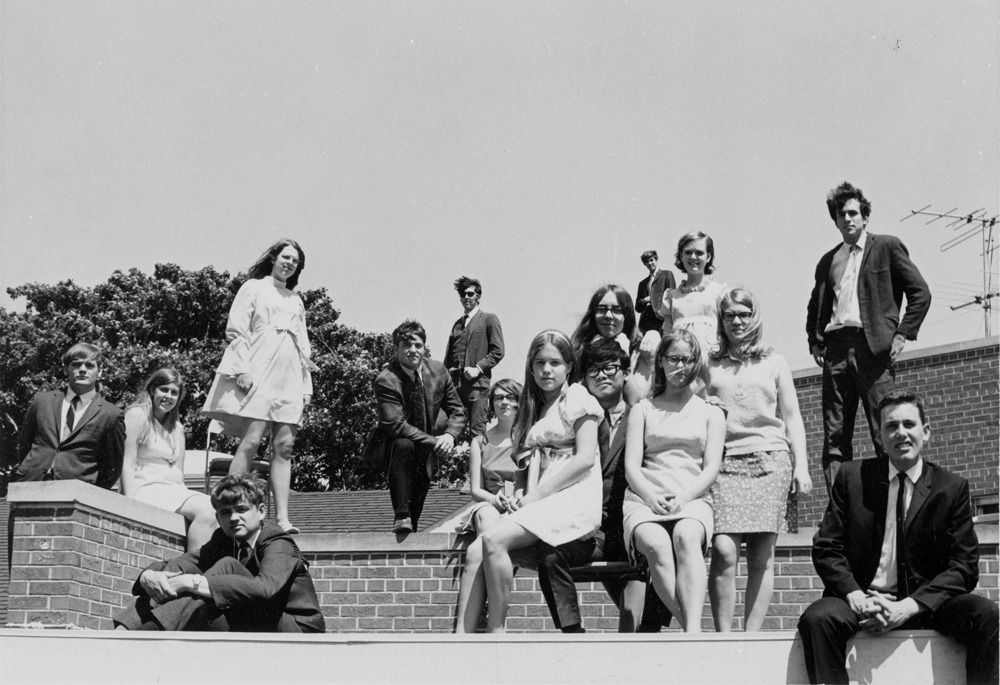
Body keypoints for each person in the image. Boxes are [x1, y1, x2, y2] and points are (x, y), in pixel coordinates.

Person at [798, 390, 998, 685]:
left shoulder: (951, 488)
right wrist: (855, 596)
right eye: (891, 426)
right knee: (818, 619)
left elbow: (964, 567)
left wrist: (909, 606)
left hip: (925, 606)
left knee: (986, 615)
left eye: (909, 424)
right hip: (861, 600)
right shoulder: (851, 478)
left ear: (925, 432)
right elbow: (827, 547)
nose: (900, 433)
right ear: (879, 437)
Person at [535, 338, 672, 633]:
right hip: (591, 532)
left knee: (666, 548)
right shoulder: (575, 420)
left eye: (610, 368)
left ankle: (650, 629)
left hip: (633, 527)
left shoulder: (645, 415)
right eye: (594, 370)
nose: (602, 375)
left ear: (625, 373)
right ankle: (572, 633)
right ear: (583, 378)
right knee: (550, 554)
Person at [806, 181, 931, 493]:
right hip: (835, 351)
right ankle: (839, 512)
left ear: (864, 217)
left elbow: (921, 293)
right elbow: (816, 303)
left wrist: (902, 333)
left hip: (872, 350)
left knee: (885, 430)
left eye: (852, 213)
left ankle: (897, 502)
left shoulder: (886, 247)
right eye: (840, 214)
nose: (847, 219)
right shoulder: (828, 260)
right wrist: (814, 338)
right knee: (835, 435)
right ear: (834, 220)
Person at [481, 330, 602, 633]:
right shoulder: (535, 405)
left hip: (572, 496)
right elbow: (530, 466)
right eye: (539, 363)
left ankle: (497, 632)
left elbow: (585, 458)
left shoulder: (577, 397)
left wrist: (536, 497)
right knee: (480, 550)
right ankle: (469, 632)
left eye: (555, 363)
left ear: (569, 367)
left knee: (494, 540)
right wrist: (520, 493)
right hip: (542, 498)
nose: (547, 370)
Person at [707, 287, 812, 632]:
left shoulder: (775, 362)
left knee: (761, 557)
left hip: (770, 461)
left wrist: (802, 466)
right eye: (729, 315)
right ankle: (724, 638)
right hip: (723, 465)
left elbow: (792, 417)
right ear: (720, 320)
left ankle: (749, 638)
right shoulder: (709, 364)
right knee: (723, 552)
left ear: (755, 317)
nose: (737, 321)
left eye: (744, 314)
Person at [202, 239, 318, 535]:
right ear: (274, 258)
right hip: (260, 365)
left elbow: (303, 346)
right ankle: (231, 504)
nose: (289, 263)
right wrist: (242, 368)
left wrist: (306, 385)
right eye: (285, 257)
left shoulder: (296, 300)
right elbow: (237, 329)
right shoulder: (254, 287)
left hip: (290, 374)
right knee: (252, 439)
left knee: (285, 446)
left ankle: (282, 518)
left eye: (295, 260)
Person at [113, 473, 324, 633]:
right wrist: (150, 576)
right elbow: (181, 564)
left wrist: (190, 582)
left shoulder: (277, 541)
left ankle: (145, 635)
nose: (233, 518)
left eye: (241, 510)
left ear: (260, 511)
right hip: (248, 618)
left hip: (296, 629)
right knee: (168, 581)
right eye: (225, 512)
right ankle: (121, 632)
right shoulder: (224, 540)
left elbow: (264, 589)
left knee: (226, 568)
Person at [622, 330, 725, 633]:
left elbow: (710, 469)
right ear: (661, 362)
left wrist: (684, 497)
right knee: (655, 544)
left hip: (692, 497)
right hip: (644, 499)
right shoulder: (643, 409)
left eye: (688, 359)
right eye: (674, 359)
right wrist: (651, 497)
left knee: (686, 536)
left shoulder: (711, 412)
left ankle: (691, 631)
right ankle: (690, 627)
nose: (681, 366)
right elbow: (631, 467)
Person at [372, 320, 466, 533]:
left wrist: (450, 436)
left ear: (424, 347)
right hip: (397, 448)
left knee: (418, 506)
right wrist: (436, 442)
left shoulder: (439, 371)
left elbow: (457, 410)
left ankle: (409, 525)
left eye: (418, 345)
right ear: (397, 349)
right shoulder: (386, 379)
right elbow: (396, 425)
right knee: (404, 445)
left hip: (427, 450)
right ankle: (401, 514)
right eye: (406, 346)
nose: (413, 350)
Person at [120, 369, 218, 552]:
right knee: (207, 509)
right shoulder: (137, 415)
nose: (168, 396)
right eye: (164, 390)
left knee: (217, 508)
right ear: (152, 390)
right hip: (144, 486)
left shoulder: (177, 429)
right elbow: (127, 463)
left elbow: (178, 475)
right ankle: (192, 568)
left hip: (170, 489)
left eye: (174, 393)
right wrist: (130, 503)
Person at [454, 378, 523, 633]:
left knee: (475, 552)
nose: (504, 402)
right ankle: (462, 635)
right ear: (492, 404)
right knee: (486, 519)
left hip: (518, 506)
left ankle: (490, 624)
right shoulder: (479, 441)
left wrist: (516, 499)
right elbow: (475, 490)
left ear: (519, 403)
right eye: (498, 398)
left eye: (510, 397)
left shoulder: (526, 438)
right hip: (488, 503)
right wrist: (494, 499)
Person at [13, 342, 125, 489]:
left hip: (77, 493)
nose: (83, 370)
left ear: (100, 371)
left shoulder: (111, 414)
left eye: (90, 365)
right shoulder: (41, 401)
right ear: (66, 369)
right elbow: (24, 445)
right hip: (30, 484)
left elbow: (112, 467)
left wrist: (90, 491)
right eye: (76, 364)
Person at [443, 276, 505, 438]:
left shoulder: (488, 319)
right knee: (443, 428)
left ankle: (480, 464)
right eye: (463, 294)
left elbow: (498, 351)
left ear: (478, 296)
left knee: (477, 433)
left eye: (470, 294)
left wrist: (478, 369)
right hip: (455, 389)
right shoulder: (457, 324)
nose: (466, 297)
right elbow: (447, 358)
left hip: (477, 387)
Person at [651, 231, 727, 362]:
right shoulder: (672, 296)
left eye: (699, 253)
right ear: (681, 256)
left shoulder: (719, 292)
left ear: (708, 257)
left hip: (712, 361)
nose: (693, 257)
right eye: (688, 252)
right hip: (681, 364)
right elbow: (667, 335)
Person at [570, 284, 650, 404]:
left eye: (617, 310)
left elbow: (637, 401)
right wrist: (593, 354)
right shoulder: (579, 348)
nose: (608, 316)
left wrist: (623, 355)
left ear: (626, 316)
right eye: (601, 309)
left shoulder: (641, 350)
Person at [635, 250, 676, 336]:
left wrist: (652, 299)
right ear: (644, 264)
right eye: (646, 262)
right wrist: (644, 301)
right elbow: (637, 308)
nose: (649, 263)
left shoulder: (666, 275)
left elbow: (672, 298)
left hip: (662, 318)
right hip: (646, 321)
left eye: (651, 260)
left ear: (656, 260)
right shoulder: (642, 284)